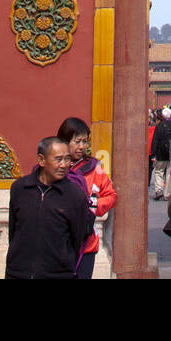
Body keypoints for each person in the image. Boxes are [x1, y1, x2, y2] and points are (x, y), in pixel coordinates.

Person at [5, 137, 93, 279]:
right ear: (41, 160)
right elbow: (14, 231)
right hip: (18, 273)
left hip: (57, 274)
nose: (64, 165)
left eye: (67, 159)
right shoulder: (20, 189)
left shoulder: (75, 196)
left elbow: (77, 239)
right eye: (58, 159)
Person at [58, 116, 117, 279]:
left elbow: (111, 195)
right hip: (57, 240)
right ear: (64, 140)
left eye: (85, 142)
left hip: (86, 241)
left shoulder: (94, 167)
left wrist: (92, 205)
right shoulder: (55, 166)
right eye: (77, 142)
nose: (82, 146)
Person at [150, 106, 171, 199]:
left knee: (159, 171)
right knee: (169, 173)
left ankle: (158, 190)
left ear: (162, 116)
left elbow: (155, 140)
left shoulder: (159, 126)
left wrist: (153, 154)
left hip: (160, 152)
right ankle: (167, 193)